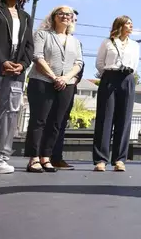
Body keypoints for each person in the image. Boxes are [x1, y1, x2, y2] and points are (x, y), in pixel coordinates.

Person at [25, 5, 83, 173]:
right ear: (54, 16)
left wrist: (65, 78)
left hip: (67, 84)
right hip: (42, 81)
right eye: (61, 13)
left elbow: (78, 63)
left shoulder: (75, 41)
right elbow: (37, 57)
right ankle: (34, 158)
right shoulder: (43, 34)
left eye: (69, 14)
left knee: (56, 123)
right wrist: (54, 76)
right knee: (39, 120)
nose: (65, 16)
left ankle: (46, 157)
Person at [92, 15, 140, 172]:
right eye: (128, 24)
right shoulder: (107, 42)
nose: (131, 26)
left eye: (132, 24)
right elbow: (99, 63)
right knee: (105, 118)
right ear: (120, 25)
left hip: (127, 78)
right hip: (110, 77)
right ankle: (101, 159)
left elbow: (136, 64)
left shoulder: (135, 45)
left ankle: (119, 159)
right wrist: (108, 75)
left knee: (124, 119)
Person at [0, 0, 34, 174]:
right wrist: (2, 61)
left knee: (10, 115)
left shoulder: (25, 17)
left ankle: (1, 158)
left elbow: (29, 46)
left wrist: (22, 65)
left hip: (16, 73)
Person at [51, 9, 83, 170]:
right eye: (71, 18)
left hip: (68, 87)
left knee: (61, 123)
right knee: (45, 121)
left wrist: (70, 79)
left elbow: (80, 66)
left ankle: (56, 157)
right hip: (49, 82)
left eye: (74, 20)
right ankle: (41, 156)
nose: (72, 22)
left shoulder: (76, 43)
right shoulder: (48, 37)